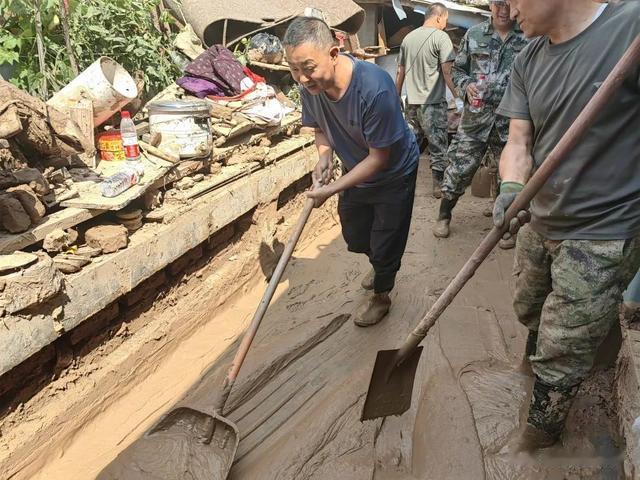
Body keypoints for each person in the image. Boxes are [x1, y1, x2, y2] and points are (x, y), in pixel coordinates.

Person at [493, 0, 640, 451]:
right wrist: (511, 186)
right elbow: (520, 139)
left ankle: (540, 430)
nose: (507, 8)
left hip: (605, 229)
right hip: (542, 217)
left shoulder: (630, 27)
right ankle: (533, 362)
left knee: (565, 345)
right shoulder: (528, 59)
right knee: (528, 306)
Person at [283, 17, 419, 327]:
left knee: (387, 237)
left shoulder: (375, 89)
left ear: (333, 53)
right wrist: (324, 157)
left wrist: (330, 189)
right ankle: (379, 262)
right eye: (294, 69)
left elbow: (379, 159)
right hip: (355, 168)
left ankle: (382, 294)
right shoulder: (311, 87)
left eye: (308, 67)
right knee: (356, 234)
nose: (302, 78)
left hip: (392, 174)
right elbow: (319, 127)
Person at [433, 0, 528, 247]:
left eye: (509, 3)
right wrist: (466, 87)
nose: (504, 9)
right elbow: (457, 71)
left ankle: (505, 226)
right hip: (476, 120)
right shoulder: (474, 35)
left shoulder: (528, 35)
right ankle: (444, 214)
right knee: (460, 168)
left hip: (512, 123)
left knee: (510, 174)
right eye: (498, 3)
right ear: (489, 4)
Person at [396, 3, 456, 198]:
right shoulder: (441, 38)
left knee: (410, 143)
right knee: (438, 146)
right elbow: (448, 72)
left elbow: (400, 71)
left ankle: (402, 182)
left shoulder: (408, 38)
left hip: (411, 103)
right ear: (439, 17)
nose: (445, 25)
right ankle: (439, 186)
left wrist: (396, 97)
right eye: (445, 20)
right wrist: (459, 99)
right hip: (433, 104)